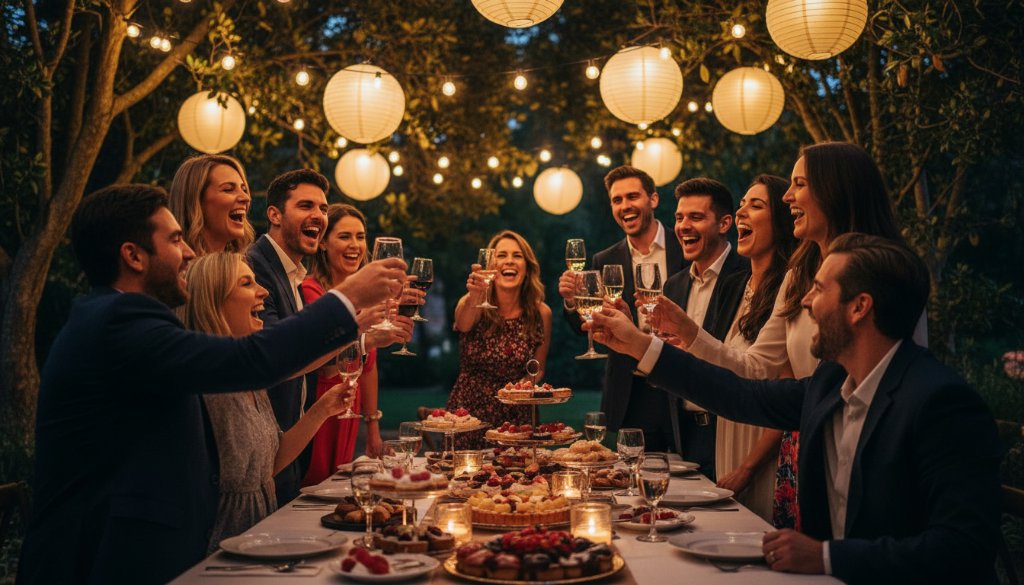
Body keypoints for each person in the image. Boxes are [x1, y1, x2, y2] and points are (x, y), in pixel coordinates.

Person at [17, 184, 406, 585]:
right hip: (96, 562)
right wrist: (345, 299)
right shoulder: (118, 321)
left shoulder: (117, 317)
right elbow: (250, 359)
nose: (188, 252)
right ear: (133, 256)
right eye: (174, 240)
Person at [589, 233, 1001, 584]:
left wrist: (826, 557)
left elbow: (964, 549)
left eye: (819, 289)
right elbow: (741, 395)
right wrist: (640, 345)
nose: (805, 301)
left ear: (859, 307)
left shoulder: (940, 403)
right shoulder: (832, 382)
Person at [647, 142, 927, 529]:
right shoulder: (798, 276)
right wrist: (672, 338)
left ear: (836, 190)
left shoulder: (889, 273)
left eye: (800, 184)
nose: (787, 196)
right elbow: (755, 368)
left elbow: (904, 376)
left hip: (869, 447)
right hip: (808, 448)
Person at [183, 252, 358, 551]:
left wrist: (322, 410)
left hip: (259, 538)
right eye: (246, 283)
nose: (263, 290)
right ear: (213, 301)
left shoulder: (247, 378)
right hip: (220, 549)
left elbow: (270, 464)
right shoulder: (206, 384)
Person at [557, 166, 685, 451]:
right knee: (633, 471)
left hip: (682, 382)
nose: (625, 205)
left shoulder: (684, 247)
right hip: (632, 391)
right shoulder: (604, 259)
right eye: (617, 200)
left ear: (653, 199)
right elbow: (583, 326)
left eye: (632, 196)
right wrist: (572, 301)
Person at [300, 204, 414, 485]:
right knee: (313, 486)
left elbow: (368, 366)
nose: (355, 245)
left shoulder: (368, 299)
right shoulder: (312, 292)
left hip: (349, 405)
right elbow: (326, 366)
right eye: (344, 236)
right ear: (323, 243)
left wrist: (373, 428)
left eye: (360, 237)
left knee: (337, 484)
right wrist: (368, 338)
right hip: (321, 405)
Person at [708, 175, 796, 520]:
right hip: (728, 430)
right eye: (742, 204)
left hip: (762, 446)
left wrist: (748, 468)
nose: (741, 212)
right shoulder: (735, 286)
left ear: (782, 220)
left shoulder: (789, 289)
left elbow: (788, 389)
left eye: (756, 206)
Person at [246, 168, 330, 505]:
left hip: (290, 446)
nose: (318, 216)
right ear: (274, 215)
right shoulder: (255, 265)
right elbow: (277, 354)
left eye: (323, 208)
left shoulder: (293, 272)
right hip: (263, 452)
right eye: (306, 205)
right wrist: (355, 322)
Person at [657, 177, 750, 479]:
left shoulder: (748, 276)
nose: (683, 226)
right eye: (679, 218)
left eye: (696, 217)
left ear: (724, 224)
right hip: (683, 437)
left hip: (730, 432)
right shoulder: (674, 285)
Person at [450, 230, 552, 449]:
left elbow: (538, 369)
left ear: (527, 267)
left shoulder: (541, 312)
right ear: (490, 265)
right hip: (469, 415)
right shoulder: (473, 302)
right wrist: (475, 295)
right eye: (502, 255)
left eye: (517, 256)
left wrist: (521, 388)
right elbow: (462, 323)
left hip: (517, 419)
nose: (510, 261)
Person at [168, 153, 254, 255]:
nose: (246, 198)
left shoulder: (246, 263)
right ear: (196, 201)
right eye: (228, 189)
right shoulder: (172, 264)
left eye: (244, 190)